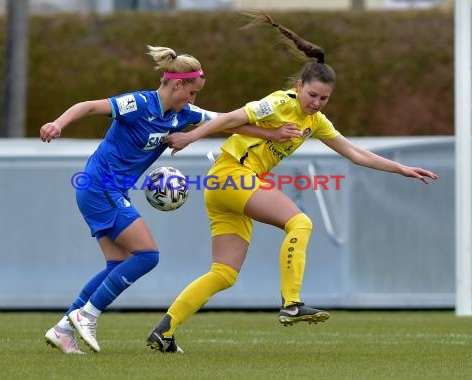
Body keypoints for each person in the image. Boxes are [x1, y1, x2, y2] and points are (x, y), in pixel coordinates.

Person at [146, 12, 438, 353]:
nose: (316, 103)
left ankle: (164, 331)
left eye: (324, 98)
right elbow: (229, 119)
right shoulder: (278, 103)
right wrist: (188, 139)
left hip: (225, 187)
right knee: (300, 222)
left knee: (224, 272)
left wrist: (401, 168)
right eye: (312, 94)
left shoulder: (315, 121)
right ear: (299, 85)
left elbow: (355, 153)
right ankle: (292, 302)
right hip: (232, 176)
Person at [40, 45, 295, 354]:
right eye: (192, 93)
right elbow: (89, 106)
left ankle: (64, 328)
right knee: (147, 255)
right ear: (178, 84)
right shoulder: (138, 103)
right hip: (99, 186)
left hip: (110, 191)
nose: (194, 99)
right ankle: (87, 314)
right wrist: (58, 124)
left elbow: (227, 121)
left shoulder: (183, 115)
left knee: (119, 263)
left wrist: (272, 134)